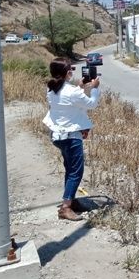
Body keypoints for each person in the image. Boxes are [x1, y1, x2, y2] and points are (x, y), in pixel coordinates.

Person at [42, 57, 100, 221]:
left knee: (70, 169)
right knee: (76, 171)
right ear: (68, 73)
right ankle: (66, 207)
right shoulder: (71, 91)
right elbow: (91, 104)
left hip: (58, 136)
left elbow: (68, 102)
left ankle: (72, 199)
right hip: (71, 137)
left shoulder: (51, 89)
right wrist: (94, 88)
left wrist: (80, 86)